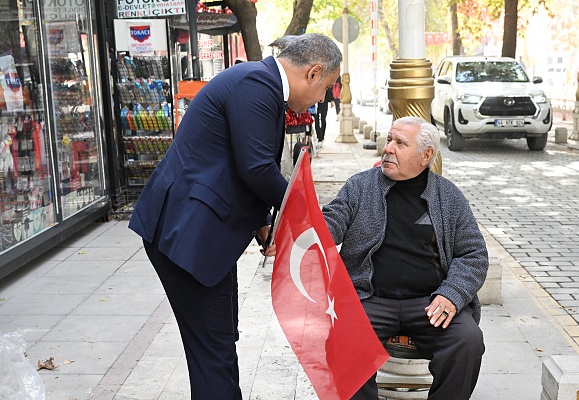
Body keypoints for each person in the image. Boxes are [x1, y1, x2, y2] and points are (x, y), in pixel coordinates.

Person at [128, 33, 341, 399]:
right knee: (214, 352)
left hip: (204, 235)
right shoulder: (257, 84)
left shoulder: (260, 85)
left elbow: (239, 165)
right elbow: (257, 168)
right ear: (313, 72)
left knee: (222, 342)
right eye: (326, 88)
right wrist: (306, 216)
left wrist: (263, 223)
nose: (322, 98)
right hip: (187, 235)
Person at [321, 116, 488, 399]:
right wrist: (309, 228)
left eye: (400, 143)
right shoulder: (360, 187)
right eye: (389, 140)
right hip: (368, 298)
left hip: (430, 302)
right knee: (342, 338)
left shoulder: (448, 197)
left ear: (426, 156)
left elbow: (473, 254)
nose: (388, 148)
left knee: (467, 341)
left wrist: (451, 294)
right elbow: (332, 220)